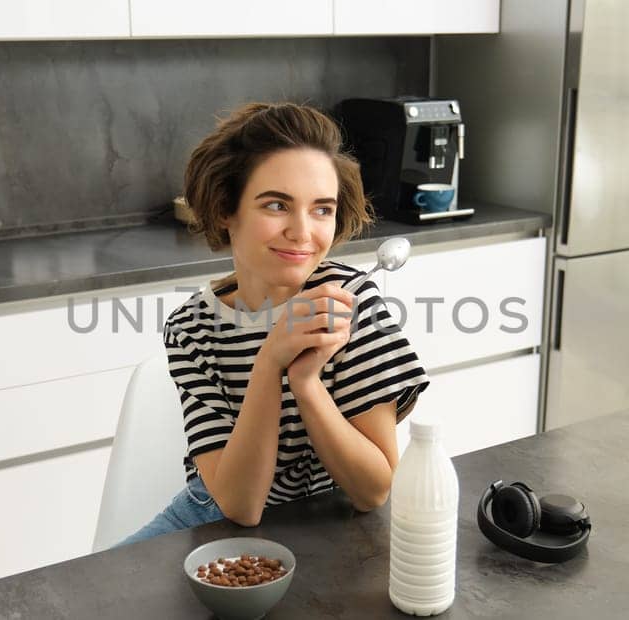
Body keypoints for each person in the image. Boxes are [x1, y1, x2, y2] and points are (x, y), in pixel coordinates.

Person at [119, 102, 430, 546]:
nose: (303, 232)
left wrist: (306, 383)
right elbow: (240, 507)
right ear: (227, 209)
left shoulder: (351, 303)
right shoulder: (191, 329)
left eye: (322, 209)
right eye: (277, 205)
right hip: (213, 517)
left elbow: (374, 489)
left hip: (331, 518)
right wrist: (271, 360)